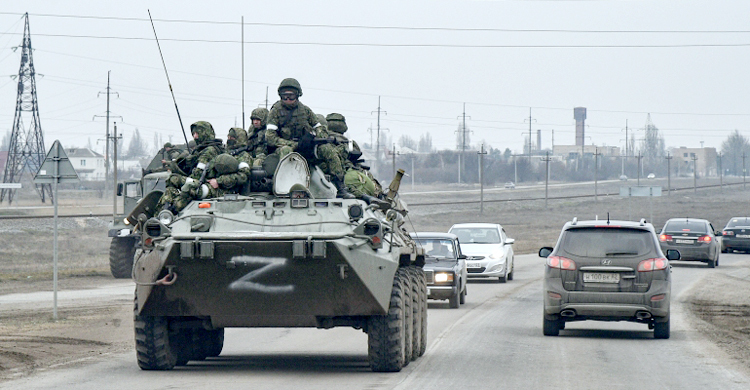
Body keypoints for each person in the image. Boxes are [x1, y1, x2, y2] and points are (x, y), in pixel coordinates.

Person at [265, 78, 351, 198]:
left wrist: (315, 138)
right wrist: (293, 144)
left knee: (328, 150)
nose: (288, 100)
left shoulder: (305, 110)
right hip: (284, 148)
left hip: (306, 148)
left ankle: (341, 187)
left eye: (291, 96)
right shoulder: (275, 112)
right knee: (287, 152)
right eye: (285, 97)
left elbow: (319, 127)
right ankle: (284, 188)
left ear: (298, 95)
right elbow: (270, 137)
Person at [157, 121, 224, 213]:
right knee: (171, 189)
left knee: (174, 179)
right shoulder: (201, 150)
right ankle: (163, 213)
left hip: (207, 185)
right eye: (193, 134)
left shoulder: (209, 151)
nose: (195, 137)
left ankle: (169, 211)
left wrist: (184, 181)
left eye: (197, 133)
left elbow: (198, 174)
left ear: (205, 133)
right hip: (201, 183)